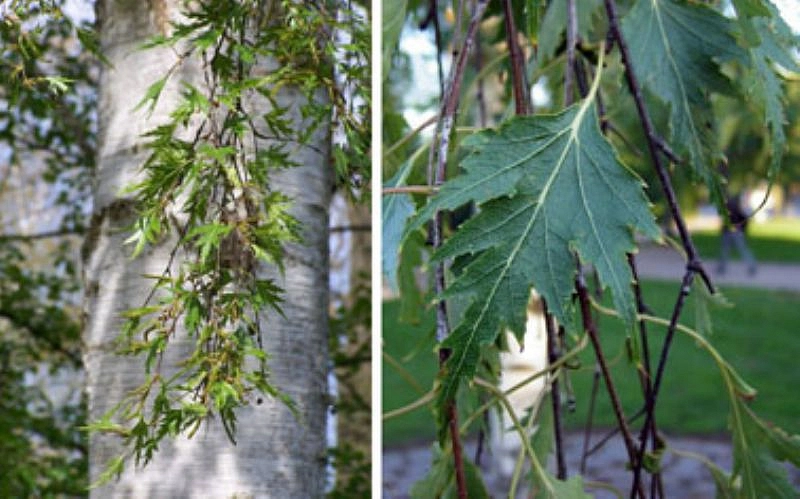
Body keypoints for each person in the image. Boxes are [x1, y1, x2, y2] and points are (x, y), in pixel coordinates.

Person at [717, 193, 757, 275]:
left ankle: (722, 267)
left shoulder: (730, 208)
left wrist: (739, 227)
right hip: (733, 232)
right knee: (732, 249)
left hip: (732, 232)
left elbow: (740, 220)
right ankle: (722, 266)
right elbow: (744, 220)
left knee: (728, 249)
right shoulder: (735, 208)